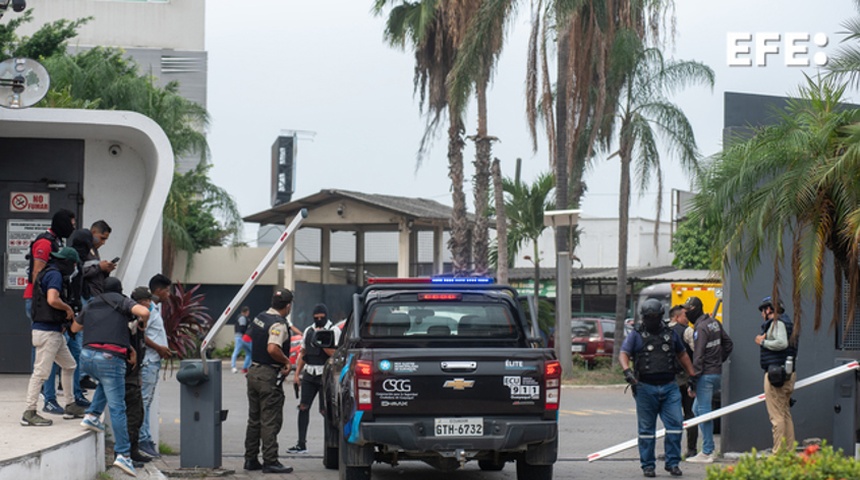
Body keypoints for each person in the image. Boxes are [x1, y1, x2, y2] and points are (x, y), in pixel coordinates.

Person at [72, 276, 150, 477]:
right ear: (120, 290)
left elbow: (74, 328)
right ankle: (123, 454)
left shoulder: (90, 304)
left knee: (107, 383)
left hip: (87, 357)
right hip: (110, 359)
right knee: (118, 408)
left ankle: (92, 415)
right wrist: (141, 322)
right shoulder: (122, 301)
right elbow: (144, 311)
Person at [620, 299, 695, 478]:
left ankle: (673, 463)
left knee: (676, 425)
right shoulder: (636, 334)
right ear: (644, 317)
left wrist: (693, 375)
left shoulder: (670, 333)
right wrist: (627, 372)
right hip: (645, 387)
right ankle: (648, 466)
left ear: (661, 316)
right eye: (648, 317)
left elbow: (682, 354)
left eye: (655, 316)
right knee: (646, 430)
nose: (652, 319)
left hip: (670, 386)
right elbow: (624, 353)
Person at [21, 247, 87, 427]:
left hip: (52, 332)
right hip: (47, 332)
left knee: (70, 365)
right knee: (40, 373)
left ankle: (70, 405)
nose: (74, 267)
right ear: (69, 263)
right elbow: (52, 299)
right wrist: (67, 309)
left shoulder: (48, 272)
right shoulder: (55, 276)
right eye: (73, 264)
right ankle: (29, 411)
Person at [243, 289, 295, 474]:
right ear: (288, 306)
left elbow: (249, 338)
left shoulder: (261, 317)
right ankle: (270, 461)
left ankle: (250, 459)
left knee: (254, 419)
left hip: (254, 372)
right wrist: (286, 361)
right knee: (269, 420)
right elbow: (273, 348)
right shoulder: (278, 324)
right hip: (268, 375)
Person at [42, 228, 93, 415]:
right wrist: (70, 311)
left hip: (68, 317)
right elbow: (64, 294)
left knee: (71, 359)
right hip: (63, 318)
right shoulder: (67, 266)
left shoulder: (71, 261)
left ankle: (70, 397)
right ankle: (50, 399)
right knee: (56, 360)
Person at [685, 296, 733, 464]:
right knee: (697, 410)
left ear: (696, 309)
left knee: (704, 412)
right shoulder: (714, 323)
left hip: (705, 375)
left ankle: (707, 452)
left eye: (688, 309)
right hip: (716, 373)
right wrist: (719, 360)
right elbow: (728, 344)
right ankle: (708, 447)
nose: (686, 312)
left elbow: (698, 357)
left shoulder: (701, 328)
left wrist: (693, 379)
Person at [288, 303, 341, 454]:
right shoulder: (308, 330)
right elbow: (303, 353)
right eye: (316, 317)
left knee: (326, 411)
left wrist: (323, 343)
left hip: (325, 375)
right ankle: (301, 444)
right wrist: (297, 374)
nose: (319, 320)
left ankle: (330, 446)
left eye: (321, 318)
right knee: (303, 407)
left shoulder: (333, 330)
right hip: (309, 374)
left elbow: (336, 354)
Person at [756, 296, 798, 454]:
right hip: (786, 373)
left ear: (769, 310)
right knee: (785, 413)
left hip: (776, 375)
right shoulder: (787, 322)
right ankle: (788, 452)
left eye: (763, 310)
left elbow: (782, 343)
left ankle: (778, 454)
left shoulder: (777, 323)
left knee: (777, 416)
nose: (762, 314)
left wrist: (763, 342)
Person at [139, 274, 172, 459]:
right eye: (167, 290)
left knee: (147, 401)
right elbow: (141, 334)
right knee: (144, 402)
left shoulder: (155, 307)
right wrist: (159, 348)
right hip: (149, 361)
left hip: (154, 361)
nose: (168, 294)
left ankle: (146, 438)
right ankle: (143, 440)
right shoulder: (148, 308)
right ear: (158, 291)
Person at [128, 286, 158, 466]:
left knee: (138, 412)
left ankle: (134, 450)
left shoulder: (138, 320)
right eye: (148, 301)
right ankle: (130, 450)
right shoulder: (131, 319)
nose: (151, 304)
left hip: (139, 369)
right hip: (132, 372)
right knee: (134, 413)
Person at [668, 304, 698, 458]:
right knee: (689, 413)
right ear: (677, 317)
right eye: (685, 315)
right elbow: (696, 351)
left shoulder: (663, 331)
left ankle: (671, 452)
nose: (687, 318)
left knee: (671, 417)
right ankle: (692, 450)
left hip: (668, 379)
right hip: (686, 379)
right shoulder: (687, 331)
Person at [232, 306, 253, 374]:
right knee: (249, 352)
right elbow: (242, 328)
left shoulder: (239, 317)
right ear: (247, 312)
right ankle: (236, 366)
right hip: (242, 337)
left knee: (247, 352)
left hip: (239, 336)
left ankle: (244, 367)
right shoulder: (242, 318)